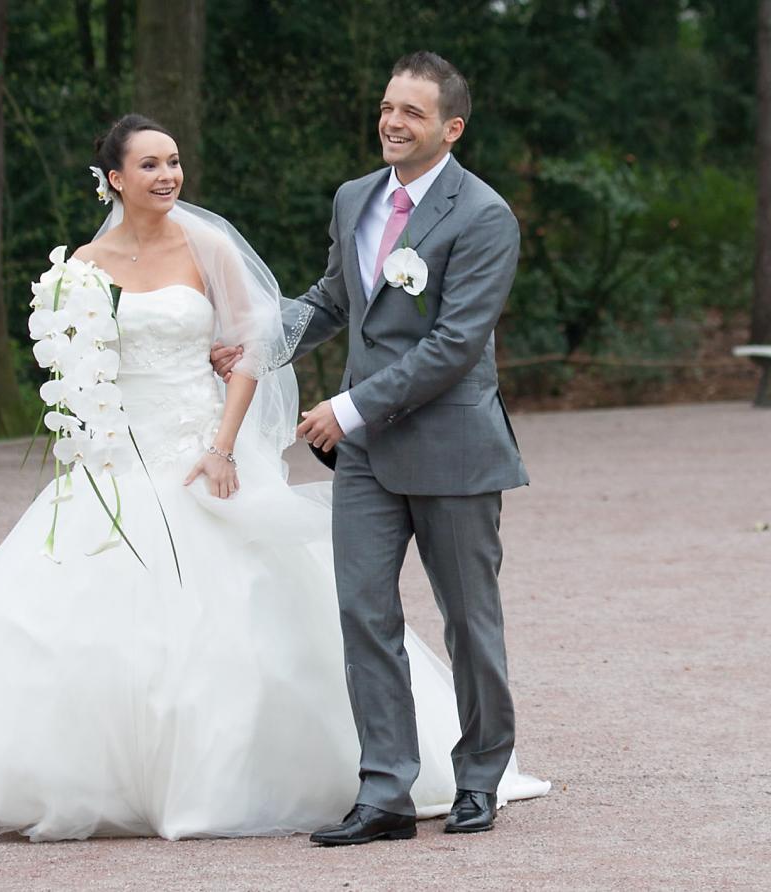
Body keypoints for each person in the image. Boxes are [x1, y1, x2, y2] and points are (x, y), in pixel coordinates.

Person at [0, 112, 547, 842]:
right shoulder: (81, 267)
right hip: (123, 460)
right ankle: (377, 789)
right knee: (342, 615)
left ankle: (468, 776)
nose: (167, 175)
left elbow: (269, 336)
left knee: (452, 618)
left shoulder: (210, 243)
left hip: (209, 448)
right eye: (149, 165)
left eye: (174, 161)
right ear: (114, 179)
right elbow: (306, 308)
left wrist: (224, 444)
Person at [214, 51, 534, 845]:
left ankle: (480, 777)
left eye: (413, 113)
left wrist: (346, 409)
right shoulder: (354, 197)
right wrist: (260, 342)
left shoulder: (485, 216)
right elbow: (334, 297)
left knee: (470, 622)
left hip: (452, 449)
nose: (392, 121)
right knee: (363, 616)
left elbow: (457, 344)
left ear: (451, 128)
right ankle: (386, 792)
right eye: (388, 107)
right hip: (364, 459)